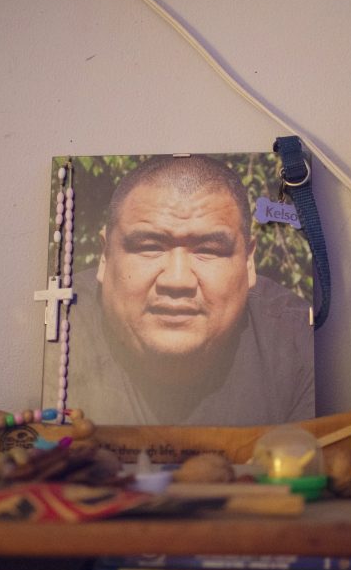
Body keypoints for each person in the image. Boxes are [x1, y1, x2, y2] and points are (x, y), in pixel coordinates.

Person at [46, 154, 315, 426]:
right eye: (149, 246)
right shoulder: (58, 331)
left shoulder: (301, 348)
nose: (177, 281)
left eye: (209, 250)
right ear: (105, 256)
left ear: (248, 261)